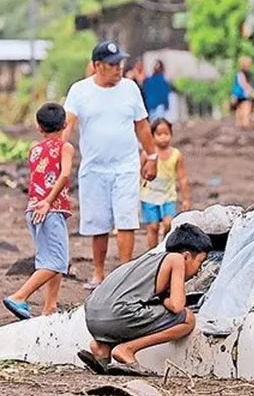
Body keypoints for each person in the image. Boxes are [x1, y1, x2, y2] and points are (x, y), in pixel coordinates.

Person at [63, 40, 159, 290]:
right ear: (97, 66)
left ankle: (125, 271)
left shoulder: (130, 88)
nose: (118, 68)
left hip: (126, 165)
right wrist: (56, 152)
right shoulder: (79, 91)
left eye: (120, 63)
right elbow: (68, 124)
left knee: (126, 218)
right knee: (98, 222)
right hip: (94, 167)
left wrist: (152, 157)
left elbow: (142, 125)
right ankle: (98, 273)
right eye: (112, 64)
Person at [77, 223, 212, 376]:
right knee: (187, 319)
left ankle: (101, 348)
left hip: (93, 317)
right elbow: (177, 306)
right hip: (118, 314)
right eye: (200, 262)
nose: (200, 270)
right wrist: (165, 300)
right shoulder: (176, 259)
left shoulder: (147, 260)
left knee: (138, 313)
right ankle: (127, 350)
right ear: (187, 256)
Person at [3, 103, 75, 319]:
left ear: (38, 127)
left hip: (34, 209)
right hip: (48, 209)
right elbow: (64, 174)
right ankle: (19, 296)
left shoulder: (34, 149)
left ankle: (50, 306)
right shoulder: (65, 147)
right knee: (57, 261)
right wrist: (49, 201)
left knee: (50, 258)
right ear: (65, 124)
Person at [140, 118, 191, 250]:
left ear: (171, 134)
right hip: (149, 196)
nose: (163, 138)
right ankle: (152, 253)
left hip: (168, 196)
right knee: (153, 226)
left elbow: (183, 178)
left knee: (169, 223)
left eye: (166, 134)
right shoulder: (147, 154)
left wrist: (185, 199)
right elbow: (139, 175)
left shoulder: (176, 155)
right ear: (152, 136)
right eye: (159, 134)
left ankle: (164, 247)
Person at [232, 57, 254, 129]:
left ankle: (241, 125)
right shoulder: (241, 73)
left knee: (241, 110)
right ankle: (243, 125)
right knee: (244, 110)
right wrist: (252, 91)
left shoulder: (243, 73)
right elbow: (243, 84)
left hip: (240, 94)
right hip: (243, 94)